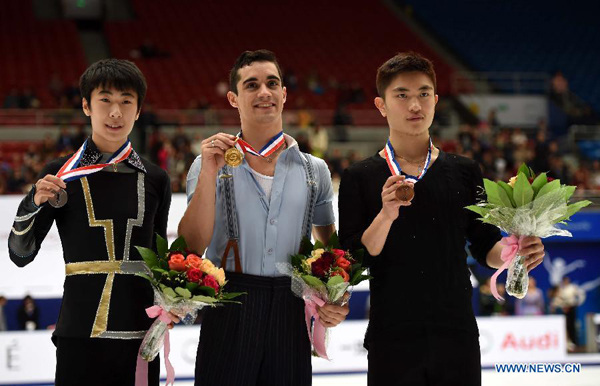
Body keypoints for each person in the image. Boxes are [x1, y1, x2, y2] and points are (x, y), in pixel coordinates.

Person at [338, 52, 545, 386]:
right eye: (401, 95)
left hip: (456, 331)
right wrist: (386, 215)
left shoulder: (464, 171)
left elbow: (484, 245)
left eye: (423, 94)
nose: (414, 105)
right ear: (381, 105)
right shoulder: (359, 177)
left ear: (435, 100)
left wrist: (515, 252)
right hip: (392, 334)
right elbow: (354, 258)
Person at [178, 49, 349, 386]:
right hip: (229, 303)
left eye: (272, 83)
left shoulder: (315, 170)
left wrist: (340, 299)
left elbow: (332, 251)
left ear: (284, 94)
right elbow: (191, 246)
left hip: (291, 307)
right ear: (233, 98)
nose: (264, 92)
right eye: (252, 85)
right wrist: (210, 174)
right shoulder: (209, 163)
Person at [8, 59, 173, 385]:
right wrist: (33, 202)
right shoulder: (60, 175)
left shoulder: (156, 178)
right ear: (86, 106)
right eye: (105, 100)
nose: (116, 112)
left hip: (141, 338)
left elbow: (160, 258)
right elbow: (20, 254)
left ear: (138, 111)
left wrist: (175, 301)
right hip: (80, 335)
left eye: (127, 101)